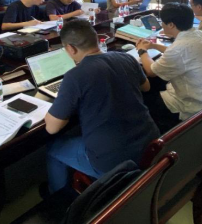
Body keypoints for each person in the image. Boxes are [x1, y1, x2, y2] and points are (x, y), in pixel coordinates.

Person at [44, 20, 159, 193]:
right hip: (150, 143)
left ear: (70, 49)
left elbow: (52, 128)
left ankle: (58, 198)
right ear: (96, 39)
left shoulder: (75, 76)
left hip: (112, 161)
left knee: (53, 148)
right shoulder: (126, 58)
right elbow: (146, 87)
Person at [136, 3, 202, 132]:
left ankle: (154, 132)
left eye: (163, 22)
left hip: (193, 105)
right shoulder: (201, 34)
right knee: (157, 83)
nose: (162, 25)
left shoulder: (179, 48)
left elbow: (151, 71)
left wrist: (142, 51)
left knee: (141, 95)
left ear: (171, 25)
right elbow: (181, 52)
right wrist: (154, 46)